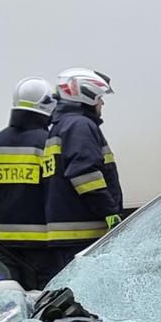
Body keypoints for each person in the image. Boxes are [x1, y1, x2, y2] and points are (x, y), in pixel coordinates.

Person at [0, 77, 57, 277]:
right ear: (48, 104)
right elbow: (55, 193)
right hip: (44, 243)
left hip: (6, 241)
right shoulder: (47, 142)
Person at [44, 67, 120, 273]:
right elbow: (85, 175)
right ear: (87, 95)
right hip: (83, 233)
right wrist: (110, 213)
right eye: (99, 98)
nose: (102, 103)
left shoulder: (61, 126)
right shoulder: (80, 125)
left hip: (69, 233)